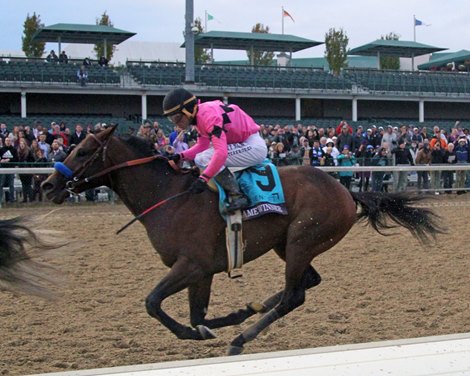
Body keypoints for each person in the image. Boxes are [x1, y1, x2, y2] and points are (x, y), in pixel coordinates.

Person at [163, 88, 267, 212]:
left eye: (177, 118)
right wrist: (180, 156)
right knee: (200, 157)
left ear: (188, 110)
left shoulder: (208, 116)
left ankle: (237, 195)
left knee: (204, 157)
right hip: (244, 142)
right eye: (172, 120)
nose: (177, 123)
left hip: (253, 146)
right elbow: (202, 145)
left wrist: (204, 179)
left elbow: (221, 154)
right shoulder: (201, 115)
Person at [0, 137, 19, 203]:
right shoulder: (1, 149)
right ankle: (0, 200)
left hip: (11, 169)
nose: (8, 142)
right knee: (1, 184)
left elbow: (16, 159)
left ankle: (12, 200)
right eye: (6, 140)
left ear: (11, 142)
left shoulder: (14, 150)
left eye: (9, 141)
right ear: (4, 141)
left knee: (11, 185)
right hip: (3, 169)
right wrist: (1, 160)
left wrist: (9, 160)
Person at [16, 138, 35, 203]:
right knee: (23, 185)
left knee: (28, 184)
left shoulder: (29, 151)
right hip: (21, 170)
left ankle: (31, 198)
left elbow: (32, 160)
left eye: (23, 144)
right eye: (20, 144)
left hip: (28, 169)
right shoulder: (17, 151)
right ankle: (24, 198)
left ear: (25, 144)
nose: (22, 145)